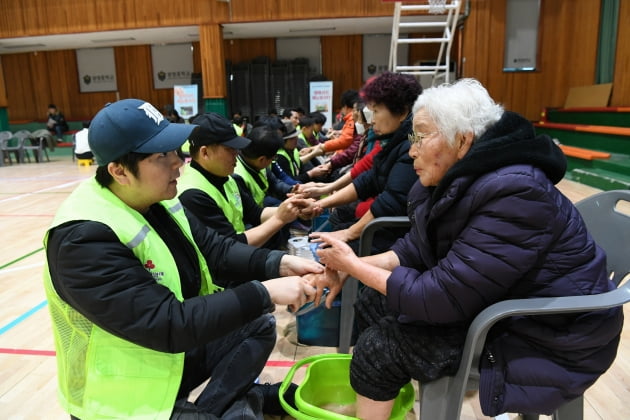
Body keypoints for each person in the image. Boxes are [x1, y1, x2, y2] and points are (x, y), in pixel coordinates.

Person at [311, 79, 623, 420]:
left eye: (421, 137)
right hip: (500, 304)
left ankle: (382, 397)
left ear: (463, 140)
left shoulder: (515, 192)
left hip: (547, 333)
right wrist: (350, 264)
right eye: (411, 138)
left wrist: (354, 266)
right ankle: (389, 401)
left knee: (377, 349)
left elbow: (438, 297)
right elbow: (415, 247)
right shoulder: (462, 175)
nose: (412, 150)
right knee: (372, 301)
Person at [43, 99, 324, 420]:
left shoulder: (155, 200)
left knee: (257, 324)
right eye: (164, 156)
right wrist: (266, 291)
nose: (179, 163)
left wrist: (279, 264)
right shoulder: (82, 239)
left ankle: (214, 408)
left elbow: (216, 249)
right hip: (120, 398)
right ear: (119, 171)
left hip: (166, 357)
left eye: (177, 151)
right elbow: (166, 323)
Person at [303, 72, 422, 253]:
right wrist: (322, 201)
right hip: (386, 224)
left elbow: (391, 201)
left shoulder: (410, 146)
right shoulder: (394, 139)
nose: (371, 119)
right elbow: (369, 179)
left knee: (332, 245)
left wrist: (349, 233)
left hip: (398, 234)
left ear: (402, 111)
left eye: (376, 111)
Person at [177, 112, 313, 254]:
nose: (237, 153)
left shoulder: (227, 178)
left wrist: (295, 208)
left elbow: (256, 214)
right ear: (205, 153)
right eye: (230, 149)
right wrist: (280, 218)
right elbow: (230, 246)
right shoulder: (192, 193)